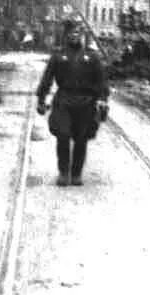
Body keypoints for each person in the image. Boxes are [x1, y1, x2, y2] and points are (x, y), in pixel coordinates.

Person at [36, 20, 110, 186]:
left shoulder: (92, 56)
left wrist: (103, 100)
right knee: (63, 135)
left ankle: (76, 173)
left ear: (82, 35)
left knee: (81, 138)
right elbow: (47, 79)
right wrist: (41, 99)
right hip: (64, 100)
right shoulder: (58, 55)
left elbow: (101, 81)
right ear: (66, 35)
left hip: (86, 102)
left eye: (78, 33)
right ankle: (63, 172)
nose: (75, 36)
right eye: (71, 33)